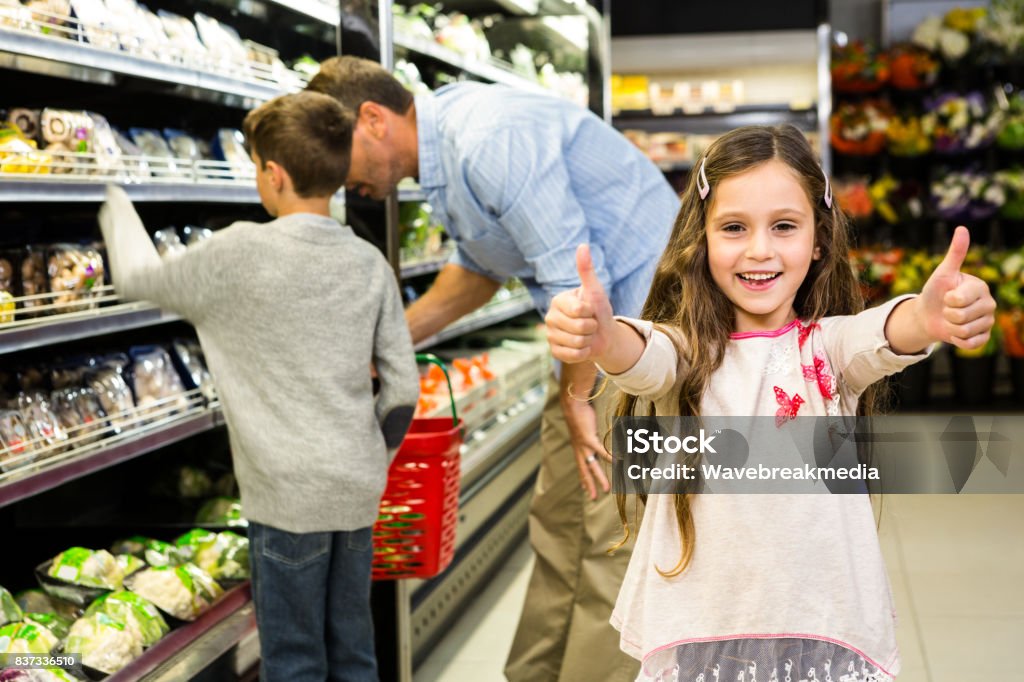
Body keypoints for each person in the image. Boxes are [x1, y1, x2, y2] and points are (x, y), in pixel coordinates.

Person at [544, 125, 996, 681]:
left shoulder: (827, 351)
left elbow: (880, 333)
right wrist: (602, 335)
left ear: (818, 239)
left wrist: (926, 317)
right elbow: (642, 355)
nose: (760, 250)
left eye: (785, 226)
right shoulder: (689, 353)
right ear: (702, 239)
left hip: (821, 624)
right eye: (734, 227)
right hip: (706, 627)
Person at [307, 56, 679, 681]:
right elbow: (481, 270)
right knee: (561, 525)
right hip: (597, 349)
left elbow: (578, 286)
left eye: (335, 159)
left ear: (371, 120)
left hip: (642, 346)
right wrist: (385, 346)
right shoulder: (448, 154)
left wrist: (576, 398)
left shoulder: (485, 138)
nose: (341, 183)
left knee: (615, 540)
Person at [98, 91, 420, 682]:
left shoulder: (238, 253)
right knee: (353, 648)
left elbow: (135, 276)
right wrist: (371, 458)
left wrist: (112, 197)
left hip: (284, 495)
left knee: (294, 658)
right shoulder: (368, 262)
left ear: (273, 174)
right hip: (355, 492)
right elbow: (401, 391)